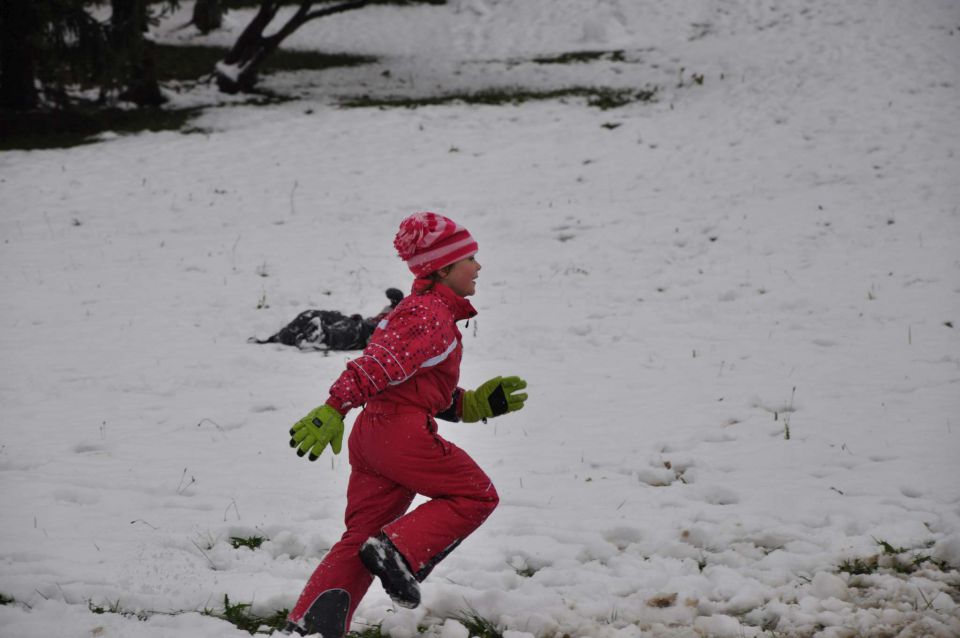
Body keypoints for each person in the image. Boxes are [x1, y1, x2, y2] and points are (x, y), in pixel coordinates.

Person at [283, 212, 529, 637]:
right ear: (444, 268)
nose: (479, 266)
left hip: (375, 434)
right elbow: (379, 365)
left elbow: (407, 381)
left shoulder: (422, 313)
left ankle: (311, 626)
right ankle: (398, 552)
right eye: (469, 257)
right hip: (399, 435)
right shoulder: (428, 316)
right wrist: (333, 406)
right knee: (476, 494)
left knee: (360, 534)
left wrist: (471, 405)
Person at [250, 288, 405, 351]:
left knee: (337, 333)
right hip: (358, 322)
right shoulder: (399, 309)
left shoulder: (408, 326)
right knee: (310, 314)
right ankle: (285, 336)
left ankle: (318, 338)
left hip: (363, 336)